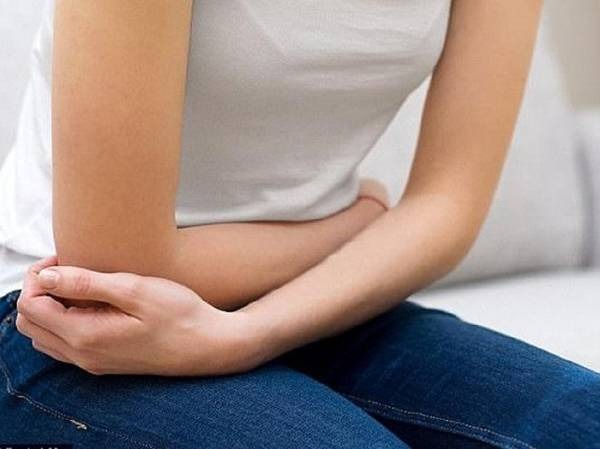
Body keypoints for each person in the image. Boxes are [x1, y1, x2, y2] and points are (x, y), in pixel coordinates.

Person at [1, 1, 598, 447]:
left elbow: (448, 203)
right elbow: (114, 269)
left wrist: (243, 337)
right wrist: (355, 224)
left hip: (318, 302)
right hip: (65, 328)